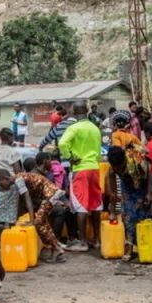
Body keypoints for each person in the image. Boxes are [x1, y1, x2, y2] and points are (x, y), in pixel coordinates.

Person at [58, 101, 104, 251]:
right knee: (96, 204)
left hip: (80, 168)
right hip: (95, 168)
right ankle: (97, 240)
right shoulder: (95, 128)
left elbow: (62, 143)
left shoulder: (74, 128)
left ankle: (83, 242)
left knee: (81, 206)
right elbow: (98, 149)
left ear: (74, 111)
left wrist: (70, 157)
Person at [0, 170, 66, 263]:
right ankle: (56, 249)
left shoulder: (18, 180)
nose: (1, 186)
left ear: (6, 178)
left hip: (50, 194)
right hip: (47, 195)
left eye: (1, 183)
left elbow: (28, 200)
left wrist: (32, 220)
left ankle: (57, 249)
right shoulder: (18, 179)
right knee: (43, 222)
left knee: (38, 222)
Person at [106, 145, 152, 261]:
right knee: (127, 216)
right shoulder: (112, 167)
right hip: (127, 187)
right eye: (115, 167)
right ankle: (129, 248)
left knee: (144, 215)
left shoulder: (136, 160)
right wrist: (112, 211)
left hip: (142, 185)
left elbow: (148, 175)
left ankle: (146, 245)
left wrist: (149, 192)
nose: (117, 169)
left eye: (120, 167)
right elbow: (112, 192)